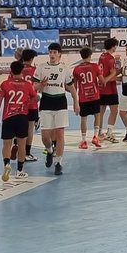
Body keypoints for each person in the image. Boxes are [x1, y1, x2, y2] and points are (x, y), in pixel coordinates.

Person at [37, 42, 76, 176]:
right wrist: (41, 85)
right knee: (45, 136)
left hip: (60, 102)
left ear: (59, 54)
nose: (52, 54)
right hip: (46, 102)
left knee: (60, 134)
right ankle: (49, 150)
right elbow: (34, 87)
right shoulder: (41, 68)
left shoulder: (64, 68)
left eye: (55, 52)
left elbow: (71, 87)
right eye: (50, 52)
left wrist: (76, 101)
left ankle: (58, 162)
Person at [0, 60, 35, 181]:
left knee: (7, 144)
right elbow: (35, 97)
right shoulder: (27, 85)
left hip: (8, 117)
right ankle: (20, 170)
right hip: (22, 117)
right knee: (21, 144)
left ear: (11, 71)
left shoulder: (5, 84)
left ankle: (6, 164)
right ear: (22, 71)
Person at [72, 46, 103, 149]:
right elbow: (102, 81)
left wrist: (75, 101)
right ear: (90, 55)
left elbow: (75, 87)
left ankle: (84, 140)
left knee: (83, 119)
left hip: (83, 97)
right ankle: (95, 136)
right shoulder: (95, 67)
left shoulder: (76, 69)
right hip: (94, 95)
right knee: (97, 115)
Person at [98, 38, 121, 141]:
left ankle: (99, 133)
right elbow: (112, 74)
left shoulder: (101, 56)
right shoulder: (111, 59)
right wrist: (119, 77)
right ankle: (109, 133)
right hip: (110, 89)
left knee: (101, 111)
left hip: (101, 88)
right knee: (114, 110)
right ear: (113, 46)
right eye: (116, 45)